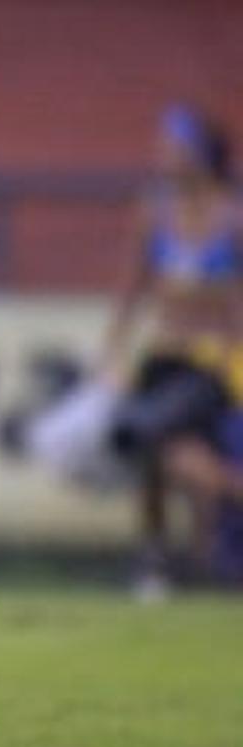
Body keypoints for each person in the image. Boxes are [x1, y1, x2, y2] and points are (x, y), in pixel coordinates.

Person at [99, 105, 243, 599]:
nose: (165, 157)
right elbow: (132, 288)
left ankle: (160, 557)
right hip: (165, 359)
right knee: (169, 456)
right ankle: (165, 556)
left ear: (202, 155)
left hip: (218, 365)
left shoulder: (233, 218)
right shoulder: (155, 213)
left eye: (175, 147)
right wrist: (113, 350)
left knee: (147, 433)